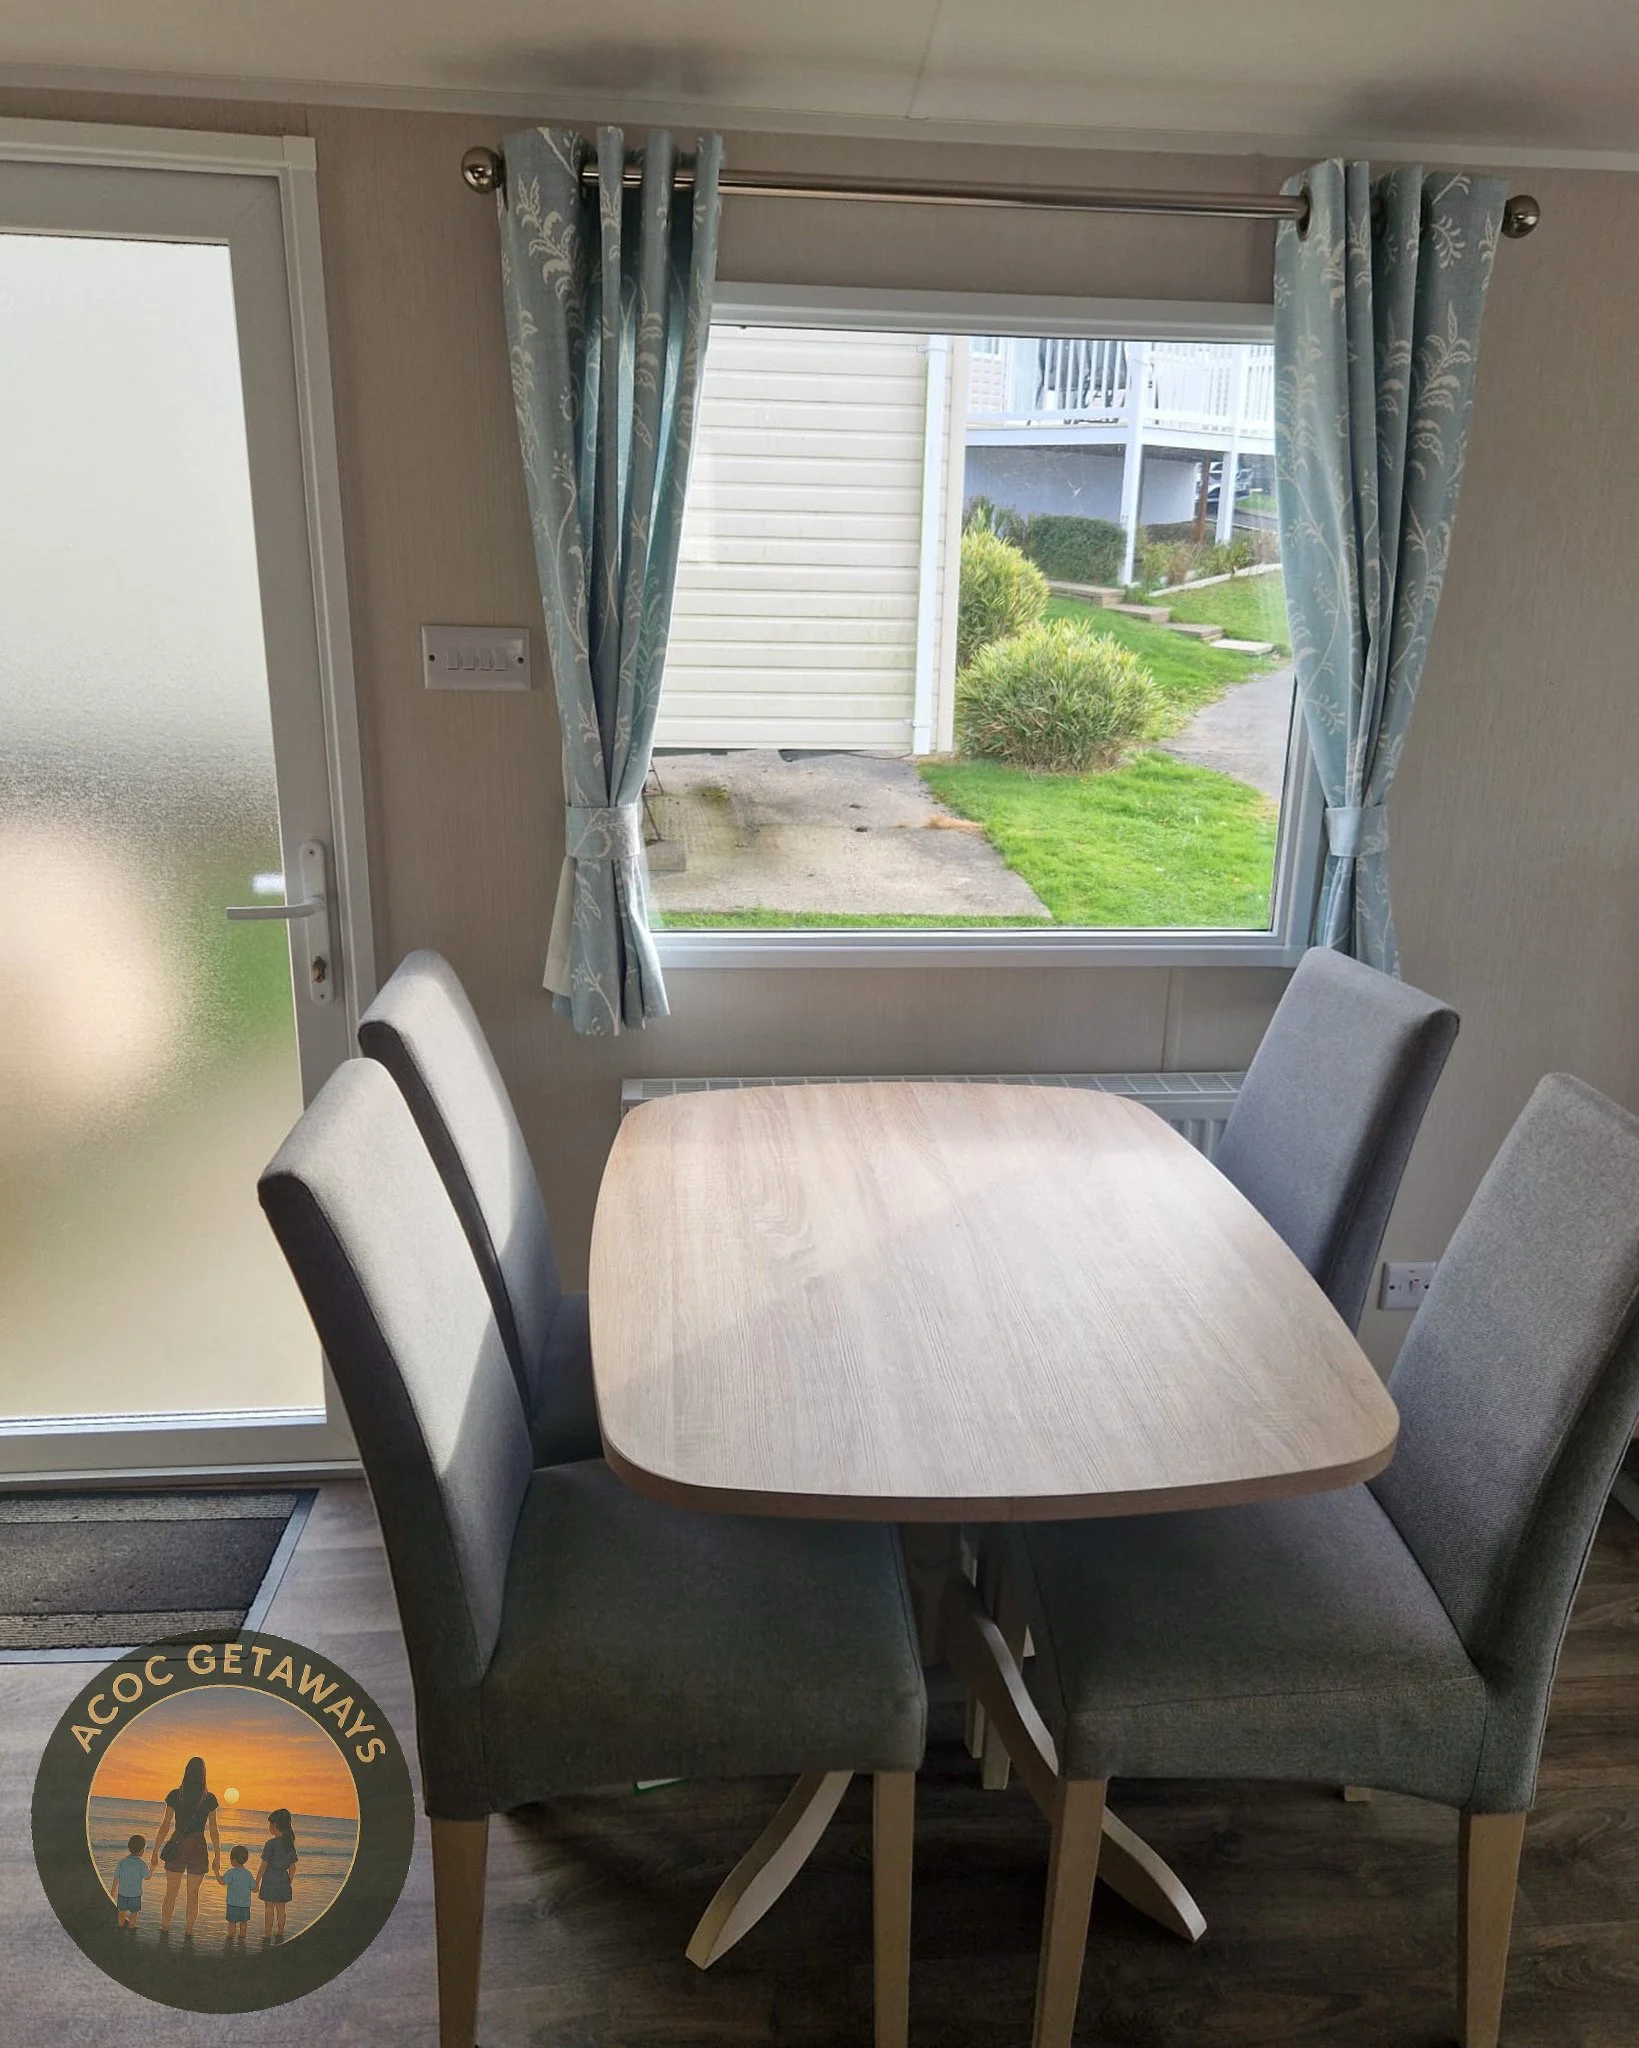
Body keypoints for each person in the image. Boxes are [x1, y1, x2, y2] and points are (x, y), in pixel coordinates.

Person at [149, 1755, 221, 1937]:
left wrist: (155, 1850)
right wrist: (217, 1855)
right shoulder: (209, 1798)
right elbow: (214, 1830)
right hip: (198, 1847)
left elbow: (165, 1825)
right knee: (193, 1894)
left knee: (171, 1892)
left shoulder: (175, 1795)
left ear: (186, 1772)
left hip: (177, 1844)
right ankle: (189, 1931)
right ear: (203, 1774)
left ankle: (165, 1927)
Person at [256, 1809, 297, 1940]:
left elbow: (263, 1866)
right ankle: (280, 1932)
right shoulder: (289, 1844)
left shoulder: (270, 1844)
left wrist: (256, 1882)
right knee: (281, 1908)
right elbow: (293, 1867)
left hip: (270, 1880)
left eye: (270, 1824)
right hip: (283, 1880)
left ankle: (267, 1933)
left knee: (269, 1908)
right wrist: (288, 1881)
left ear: (275, 1825)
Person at [217, 1843, 254, 1942]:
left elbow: (222, 1882)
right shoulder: (248, 1874)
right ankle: (242, 1938)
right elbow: (254, 1888)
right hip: (245, 1904)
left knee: (232, 1922)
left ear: (233, 1860)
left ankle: (231, 1938)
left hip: (233, 1904)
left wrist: (216, 1872)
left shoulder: (231, 1872)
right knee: (244, 1922)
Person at [110, 1833, 148, 1929]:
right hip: (135, 1895)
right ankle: (131, 1928)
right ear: (142, 1850)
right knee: (134, 1913)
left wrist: (113, 1890)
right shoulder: (142, 1864)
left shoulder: (122, 1862)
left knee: (121, 1911)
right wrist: (153, 1867)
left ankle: (120, 1926)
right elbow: (147, 1877)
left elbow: (116, 1877)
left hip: (122, 1893)